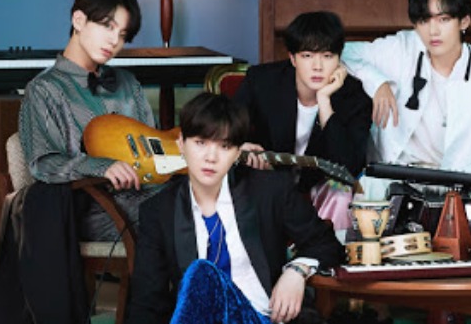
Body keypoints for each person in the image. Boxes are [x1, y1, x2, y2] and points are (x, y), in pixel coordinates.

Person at [0, 0, 157, 324]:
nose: (114, 41)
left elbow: (152, 150)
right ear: (79, 20)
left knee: (211, 198)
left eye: (123, 34)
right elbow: (43, 163)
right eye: (107, 26)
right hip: (89, 207)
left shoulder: (128, 84)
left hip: (143, 194)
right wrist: (102, 166)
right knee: (182, 210)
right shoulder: (44, 90)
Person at [126, 92, 343, 323]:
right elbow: (148, 300)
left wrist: (296, 271)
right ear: (181, 144)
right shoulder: (160, 210)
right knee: (201, 274)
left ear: (238, 152)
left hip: (263, 315)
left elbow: (325, 243)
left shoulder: (269, 190)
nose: (211, 157)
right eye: (200, 143)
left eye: (224, 146)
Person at [341, 0, 471, 224]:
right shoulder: (401, 48)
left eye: (443, 19)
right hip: (399, 175)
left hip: (464, 179)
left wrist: (465, 178)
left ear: (464, 21)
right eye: (424, 20)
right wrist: (377, 81)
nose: (433, 31)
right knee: (369, 182)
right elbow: (341, 51)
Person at [234, 11, 372, 231]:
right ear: (293, 58)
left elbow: (349, 167)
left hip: (319, 186)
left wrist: (324, 101)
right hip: (267, 179)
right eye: (307, 56)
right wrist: (240, 146)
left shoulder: (354, 97)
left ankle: (330, 250)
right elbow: (228, 125)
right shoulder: (262, 81)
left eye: (327, 56)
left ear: (339, 59)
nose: (317, 66)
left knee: (340, 193)